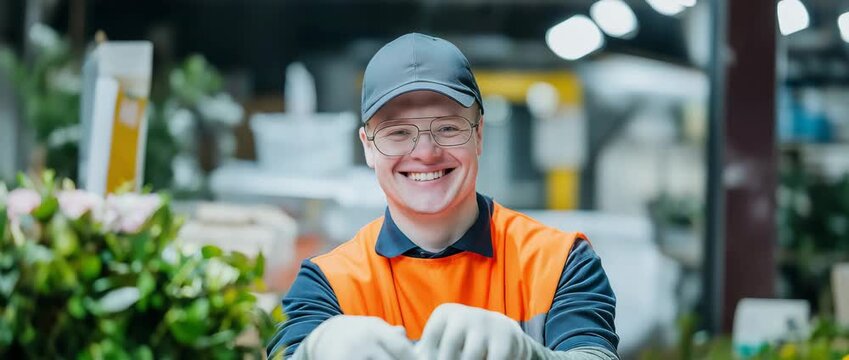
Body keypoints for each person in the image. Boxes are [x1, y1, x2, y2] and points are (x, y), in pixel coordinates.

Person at [267, 33, 619, 360]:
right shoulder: (327, 283)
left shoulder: (560, 263)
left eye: (448, 128)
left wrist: (528, 354)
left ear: (479, 134)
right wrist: (313, 351)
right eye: (398, 132)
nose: (426, 152)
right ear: (368, 148)